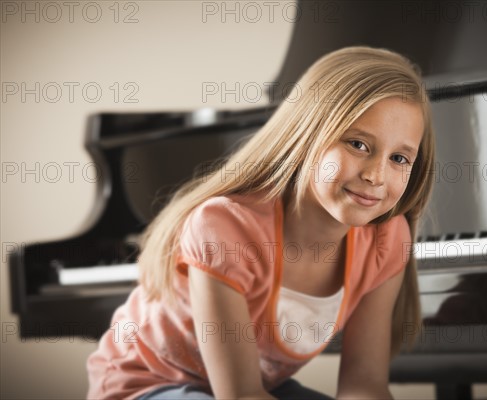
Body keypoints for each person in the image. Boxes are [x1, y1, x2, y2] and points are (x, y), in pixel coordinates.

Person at [86, 46, 435, 400]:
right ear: (307, 133)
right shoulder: (224, 228)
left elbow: (364, 386)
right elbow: (240, 396)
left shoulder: (386, 239)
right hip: (146, 385)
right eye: (358, 144)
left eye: (399, 158)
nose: (377, 175)